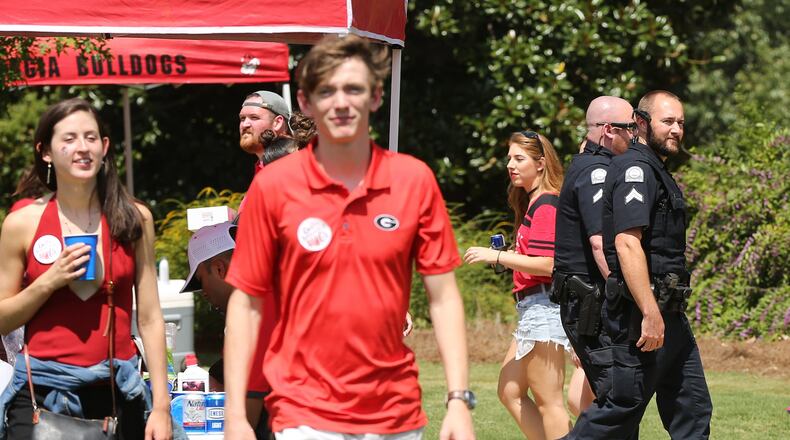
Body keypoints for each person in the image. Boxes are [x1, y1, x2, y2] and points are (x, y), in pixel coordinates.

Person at [222, 35, 475, 440]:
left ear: (375, 97)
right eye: (327, 90)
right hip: (304, 411)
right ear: (305, 102)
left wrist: (458, 400)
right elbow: (247, 303)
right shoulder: (274, 186)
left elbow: (444, 297)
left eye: (354, 89)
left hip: (395, 412)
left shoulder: (413, 180)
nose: (341, 102)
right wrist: (236, 414)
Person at [0, 98, 174, 439]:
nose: (82, 148)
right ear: (45, 151)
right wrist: (48, 282)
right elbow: (3, 319)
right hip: (40, 396)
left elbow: (151, 317)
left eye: (91, 138)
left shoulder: (135, 218)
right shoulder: (22, 223)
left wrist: (162, 407)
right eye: (68, 139)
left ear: (105, 147)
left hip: (116, 393)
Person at [567, 91, 712, 439]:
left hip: (671, 314)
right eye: (668, 122)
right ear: (642, 123)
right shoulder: (636, 169)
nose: (677, 129)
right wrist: (649, 311)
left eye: (681, 122)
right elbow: (627, 243)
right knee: (620, 410)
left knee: (692, 410)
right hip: (641, 318)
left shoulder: (656, 170)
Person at [464, 129, 569, 439]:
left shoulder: (547, 203)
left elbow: (549, 265)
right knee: (510, 391)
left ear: (540, 164)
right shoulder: (534, 203)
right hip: (532, 310)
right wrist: (511, 254)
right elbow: (538, 256)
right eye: (509, 158)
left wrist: (497, 257)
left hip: (545, 310)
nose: (510, 164)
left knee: (550, 402)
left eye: (519, 158)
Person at [552, 96, 635, 417]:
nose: (635, 136)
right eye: (631, 129)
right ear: (610, 130)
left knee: (609, 402)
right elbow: (601, 245)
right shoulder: (596, 172)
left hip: (588, 304)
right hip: (595, 307)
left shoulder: (585, 164)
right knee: (617, 402)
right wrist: (629, 297)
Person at [238, 90, 292, 175]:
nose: (244, 125)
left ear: (277, 123)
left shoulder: (293, 164)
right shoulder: (262, 166)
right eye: (242, 118)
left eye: (254, 117)